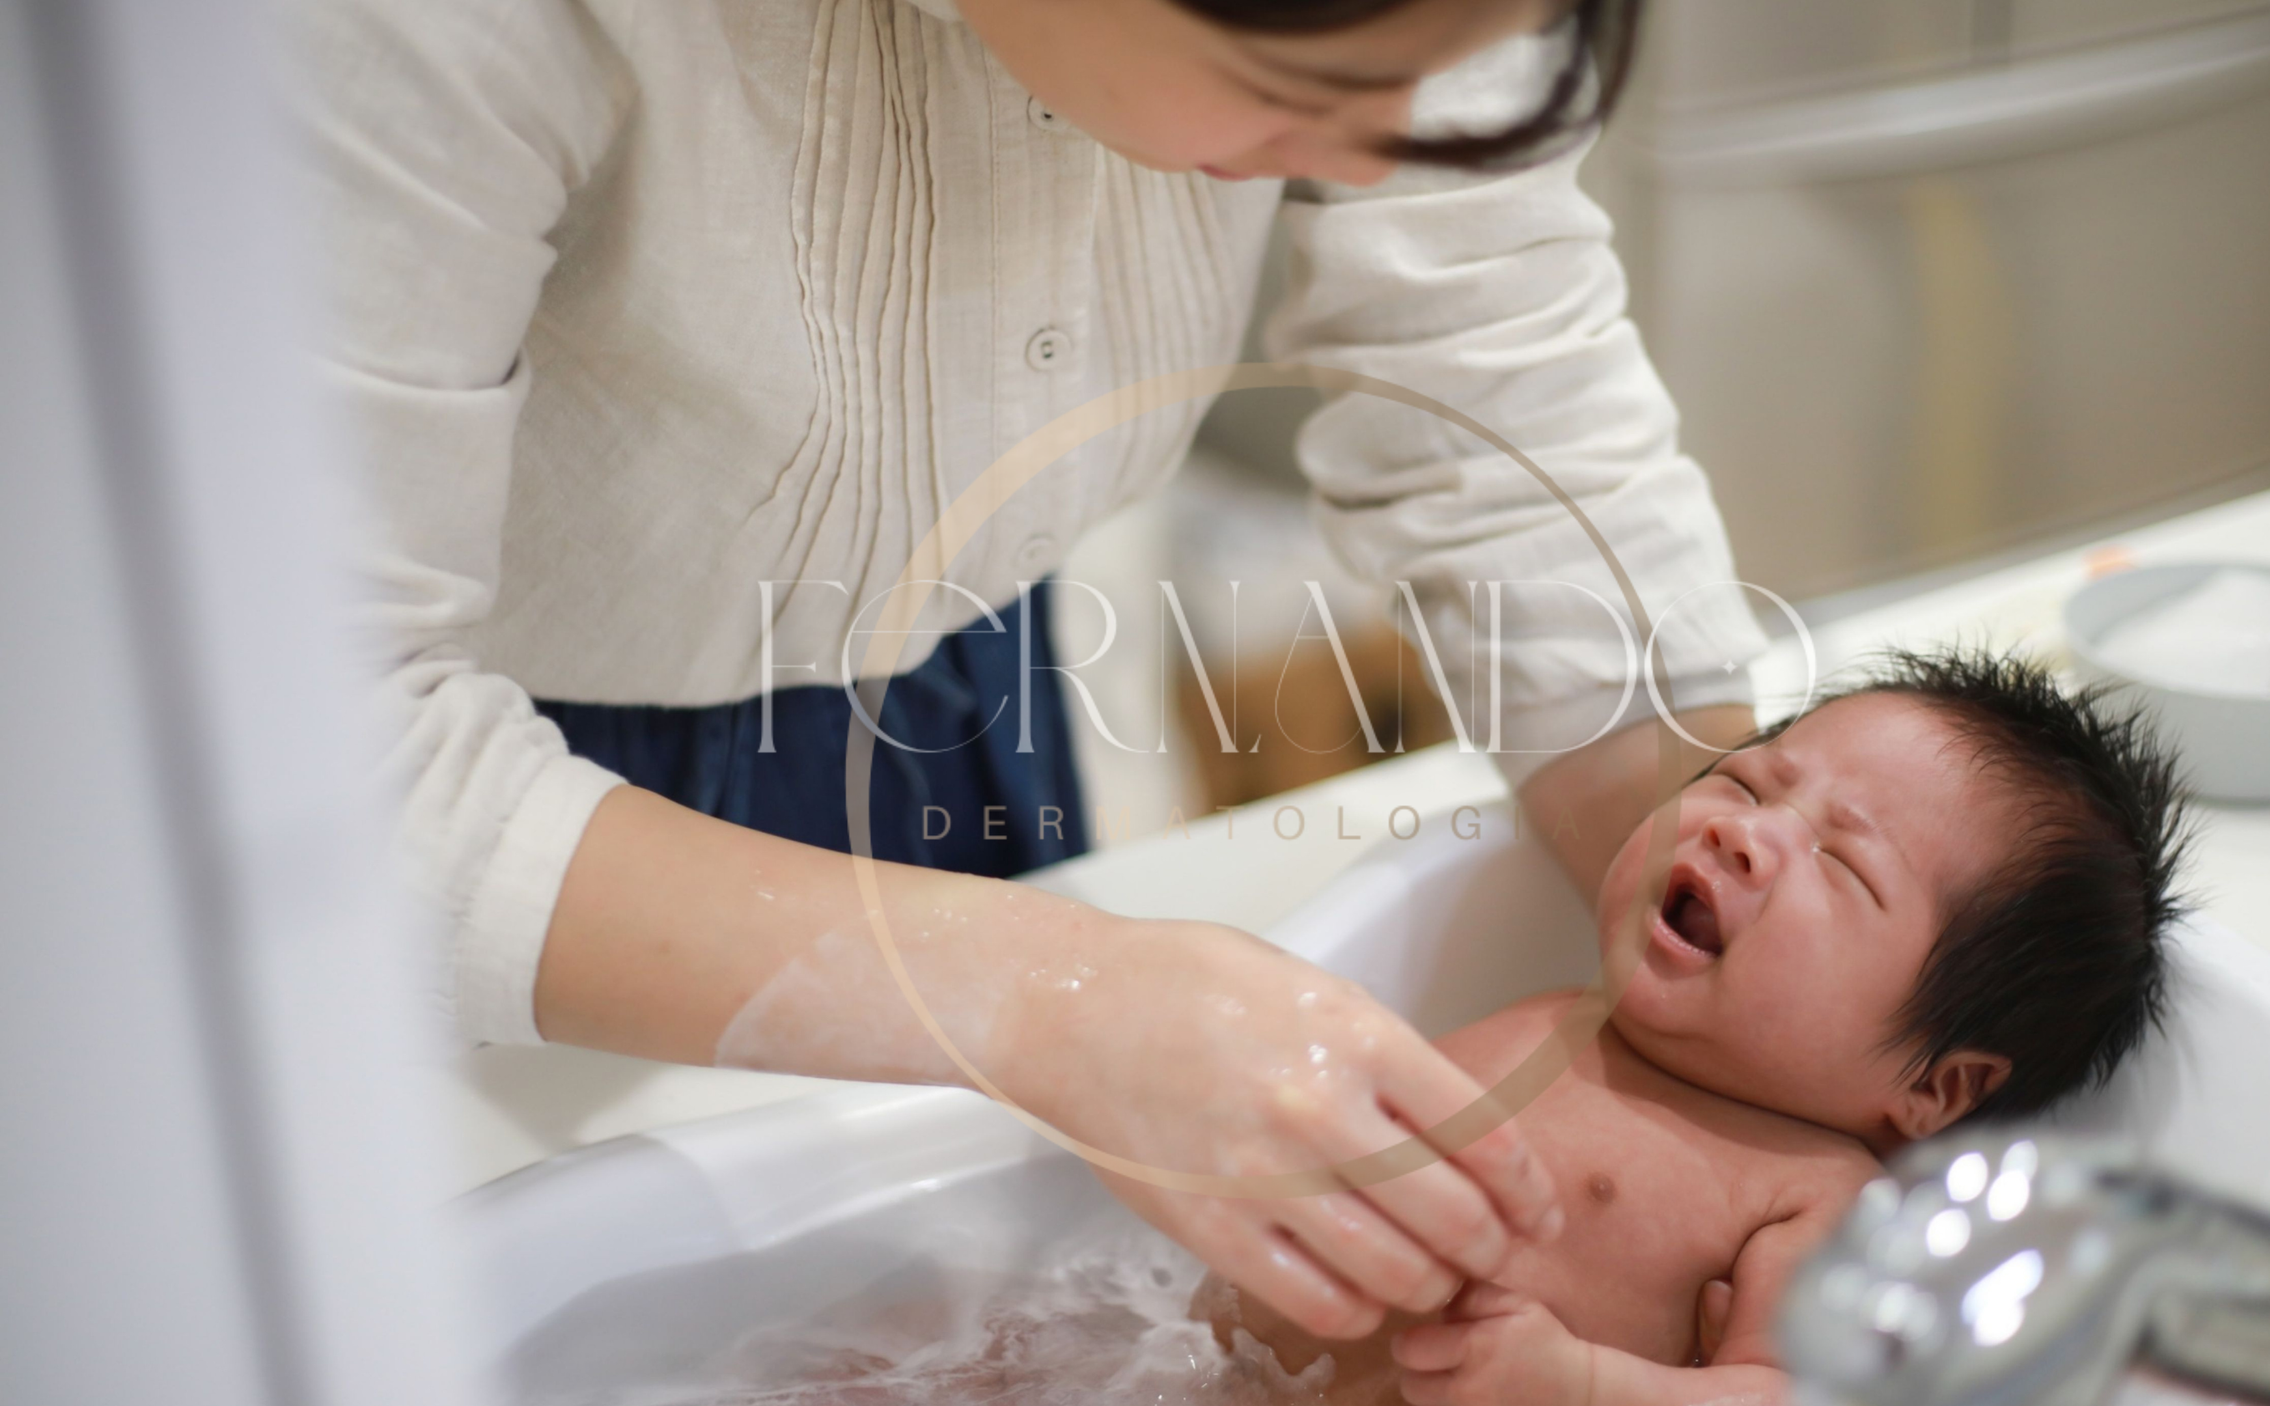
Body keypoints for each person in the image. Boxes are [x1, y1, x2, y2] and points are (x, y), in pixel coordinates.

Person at [296, 0, 1769, 1342]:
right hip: (486, 788)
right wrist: (1057, 1002)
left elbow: (1495, 356)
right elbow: (322, 765)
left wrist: (1783, 939)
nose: (1381, 169)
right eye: (1300, 93)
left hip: (951, 680)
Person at [1196, 651, 2192, 1404]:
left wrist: (1579, 1382)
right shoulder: (1557, 1011)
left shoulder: (1813, 1190)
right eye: (1746, 779)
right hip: (1168, 1355)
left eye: (1841, 865)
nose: (1741, 831)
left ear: (1938, 1086)